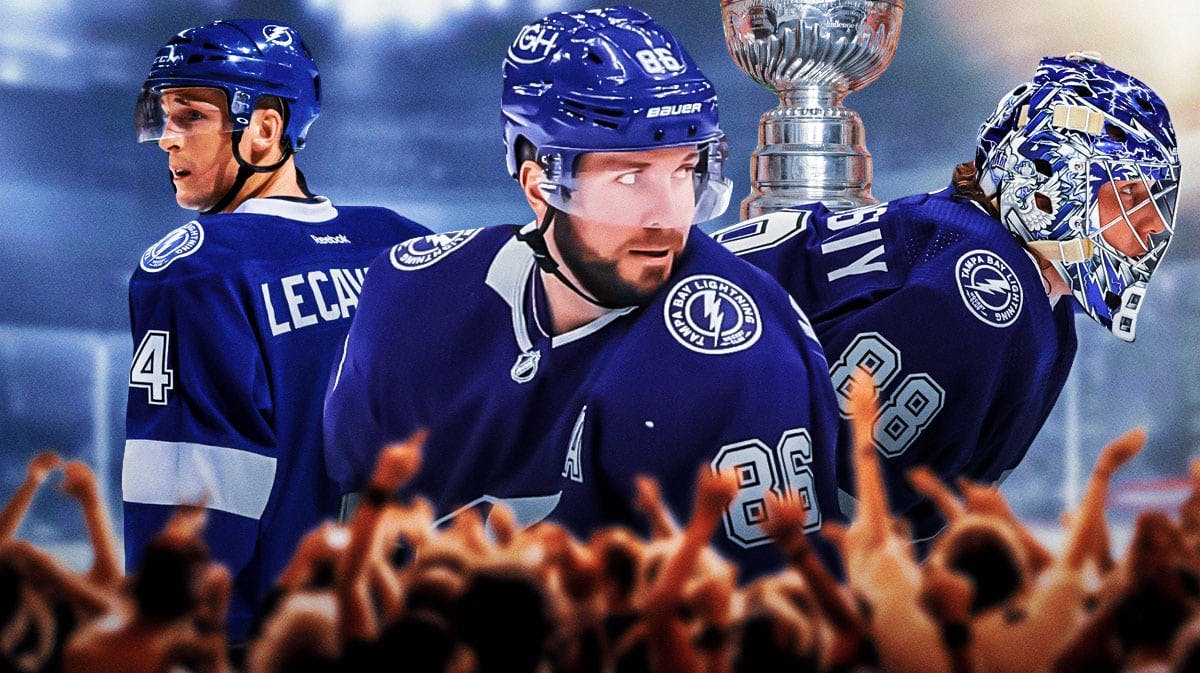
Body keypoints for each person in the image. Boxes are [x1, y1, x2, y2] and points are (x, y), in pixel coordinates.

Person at [323, 6, 841, 577]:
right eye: (628, 176)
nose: (668, 215)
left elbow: (739, 628)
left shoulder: (732, 355)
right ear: (538, 182)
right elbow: (358, 534)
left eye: (683, 170)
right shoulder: (412, 296)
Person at [712, 53, 1180, 541]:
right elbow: (833, 502)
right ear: (1052, 178)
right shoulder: (985, 297)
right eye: (1130, 195)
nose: (1153, 225)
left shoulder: (1040, 307)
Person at [122, 19, 430, 642]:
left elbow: (192, 500)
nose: (167, 140)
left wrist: (181, 640)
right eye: (163, 117)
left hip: (271, 638)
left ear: (265, 127)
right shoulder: (401, 244)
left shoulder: (197, 269)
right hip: (402, 626)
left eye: (190, 116)